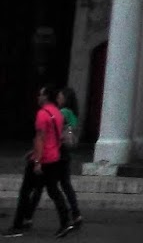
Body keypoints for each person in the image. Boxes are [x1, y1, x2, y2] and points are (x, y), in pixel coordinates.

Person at [5, 83, 73, 238]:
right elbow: (56, 137)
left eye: (40, 94)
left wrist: (36, 161)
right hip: (54, 157)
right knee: (53, 191)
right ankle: (65, 221)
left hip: (42, 158)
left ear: (46, 97)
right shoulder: (57, 113)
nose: (38, 97)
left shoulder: (42, 114)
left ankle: (18, 225)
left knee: (25, 192)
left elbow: (40, 138)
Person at [55, 88, 83, 233]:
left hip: (59, 151)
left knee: (53, 186)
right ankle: (76, 212)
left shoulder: (63, 112)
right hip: (67, 151)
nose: (57, 99)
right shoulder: (73, 114)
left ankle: (68, 216)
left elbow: (54, 129)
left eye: (59, 97)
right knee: (66, 184)